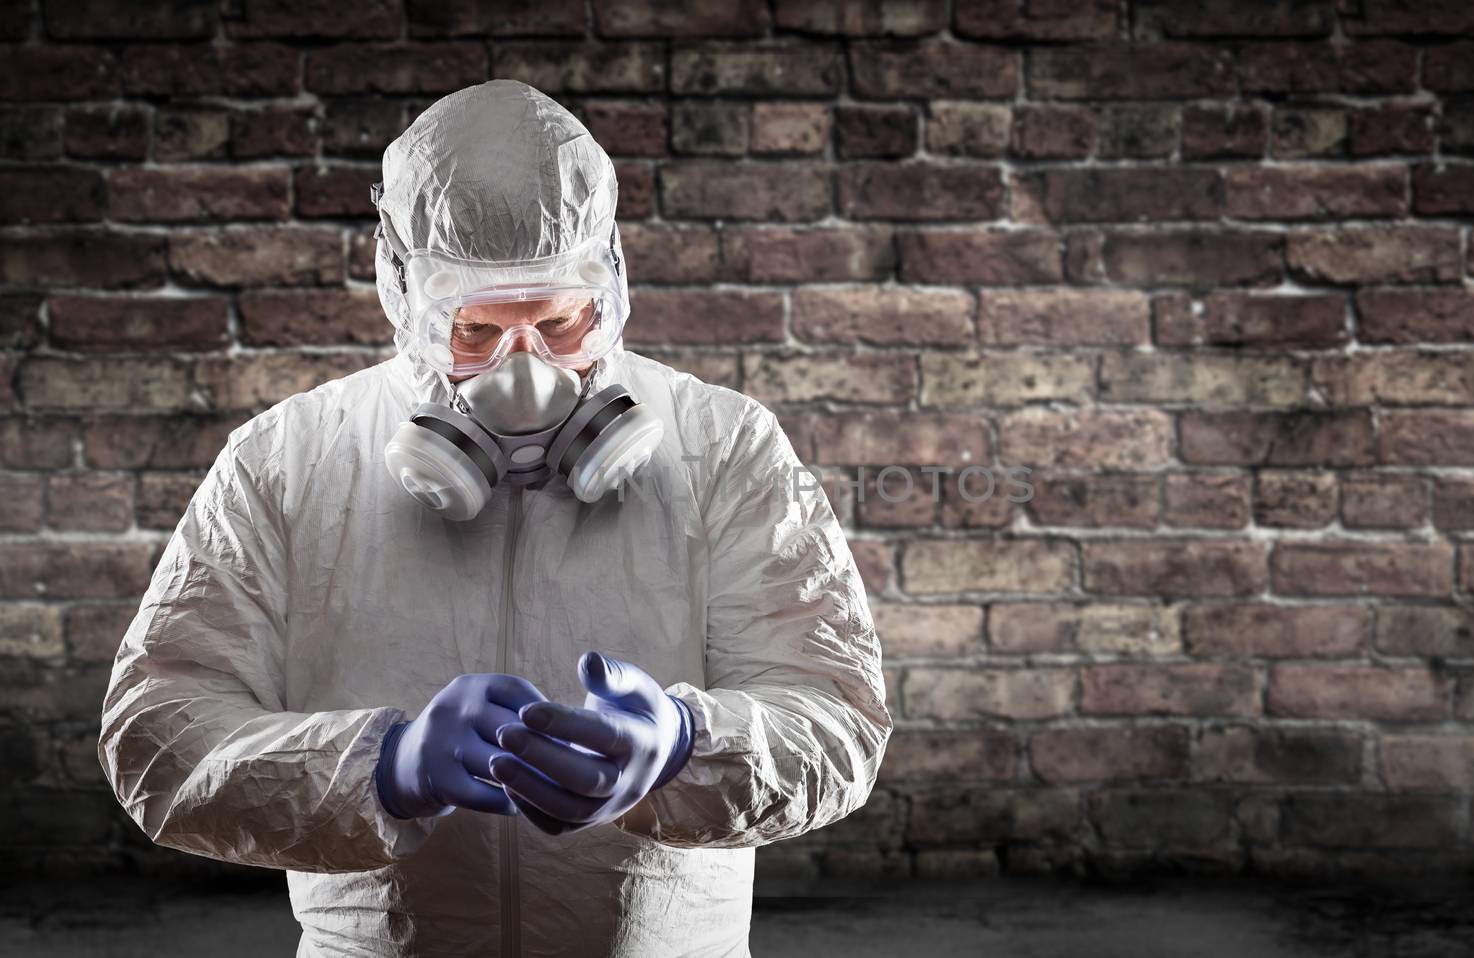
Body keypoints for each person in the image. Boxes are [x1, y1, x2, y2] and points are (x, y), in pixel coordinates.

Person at [98, 79, 892, 957]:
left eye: (559, 320)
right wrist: (384, 769)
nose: (528, 371)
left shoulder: (724, 445)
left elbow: (837, 715)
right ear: (402, 292)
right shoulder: (287, 460)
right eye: (475, 330)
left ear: (610, 282)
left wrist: (684, 747)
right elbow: (158, 735)